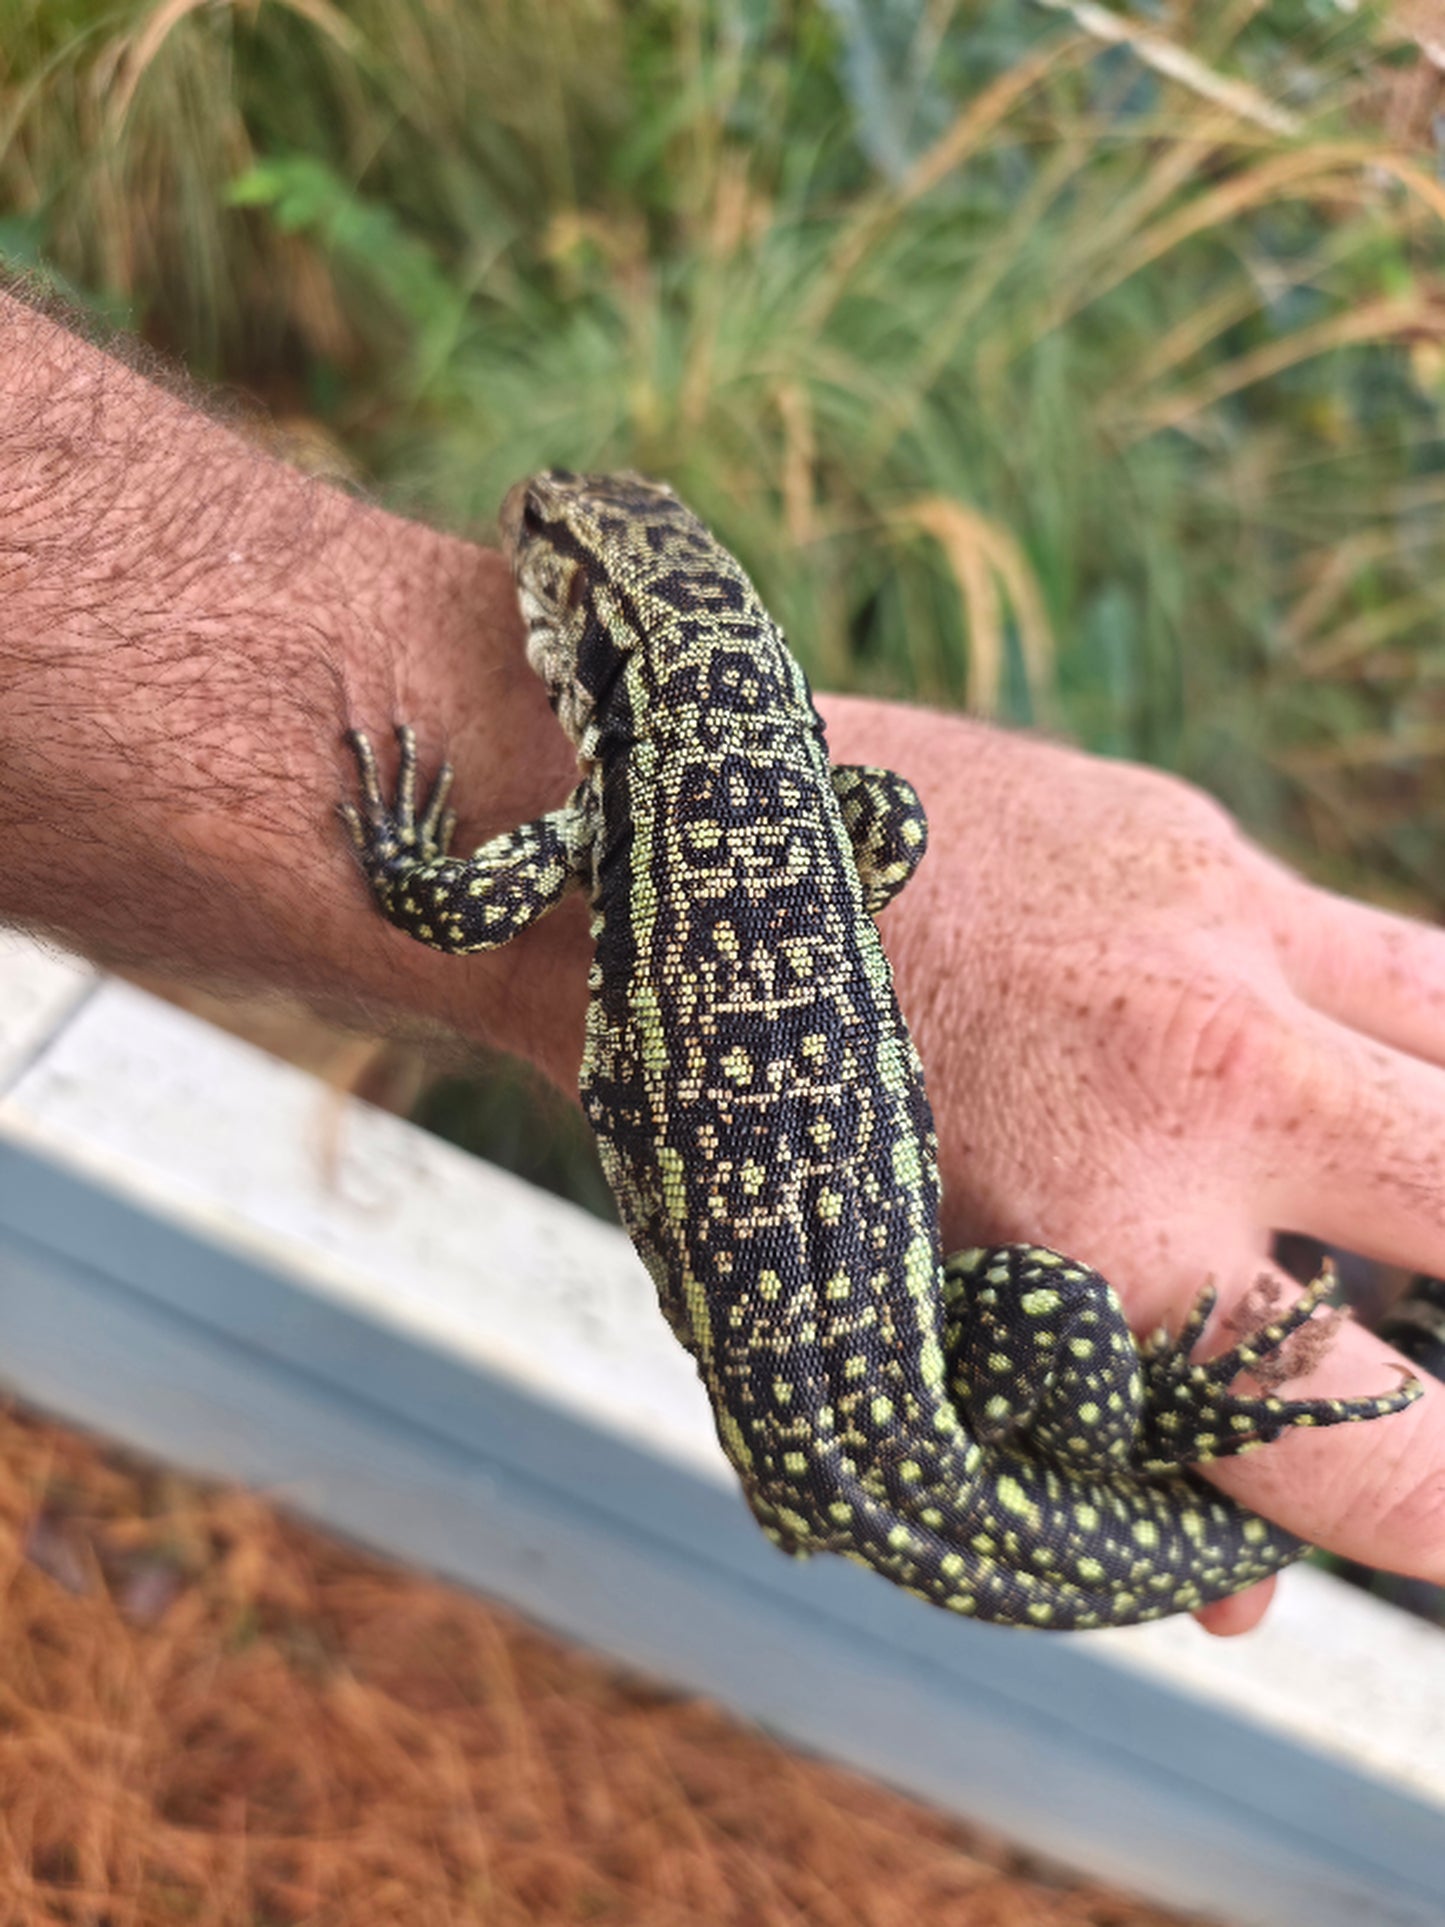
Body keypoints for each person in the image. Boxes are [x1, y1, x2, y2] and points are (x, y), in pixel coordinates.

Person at [1, 285, 1439, 1637]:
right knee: (1045, 1320)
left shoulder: (618, 811)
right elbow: (888, 822)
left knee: (1050, 1312)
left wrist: (396, 846)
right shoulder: (788, 803)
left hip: (899, 1417)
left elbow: (441, 906)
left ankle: (1153, 1430)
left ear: (588, 651)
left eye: (556, 558)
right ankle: (1165, 1426)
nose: (538, 524)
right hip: (854, 1430)